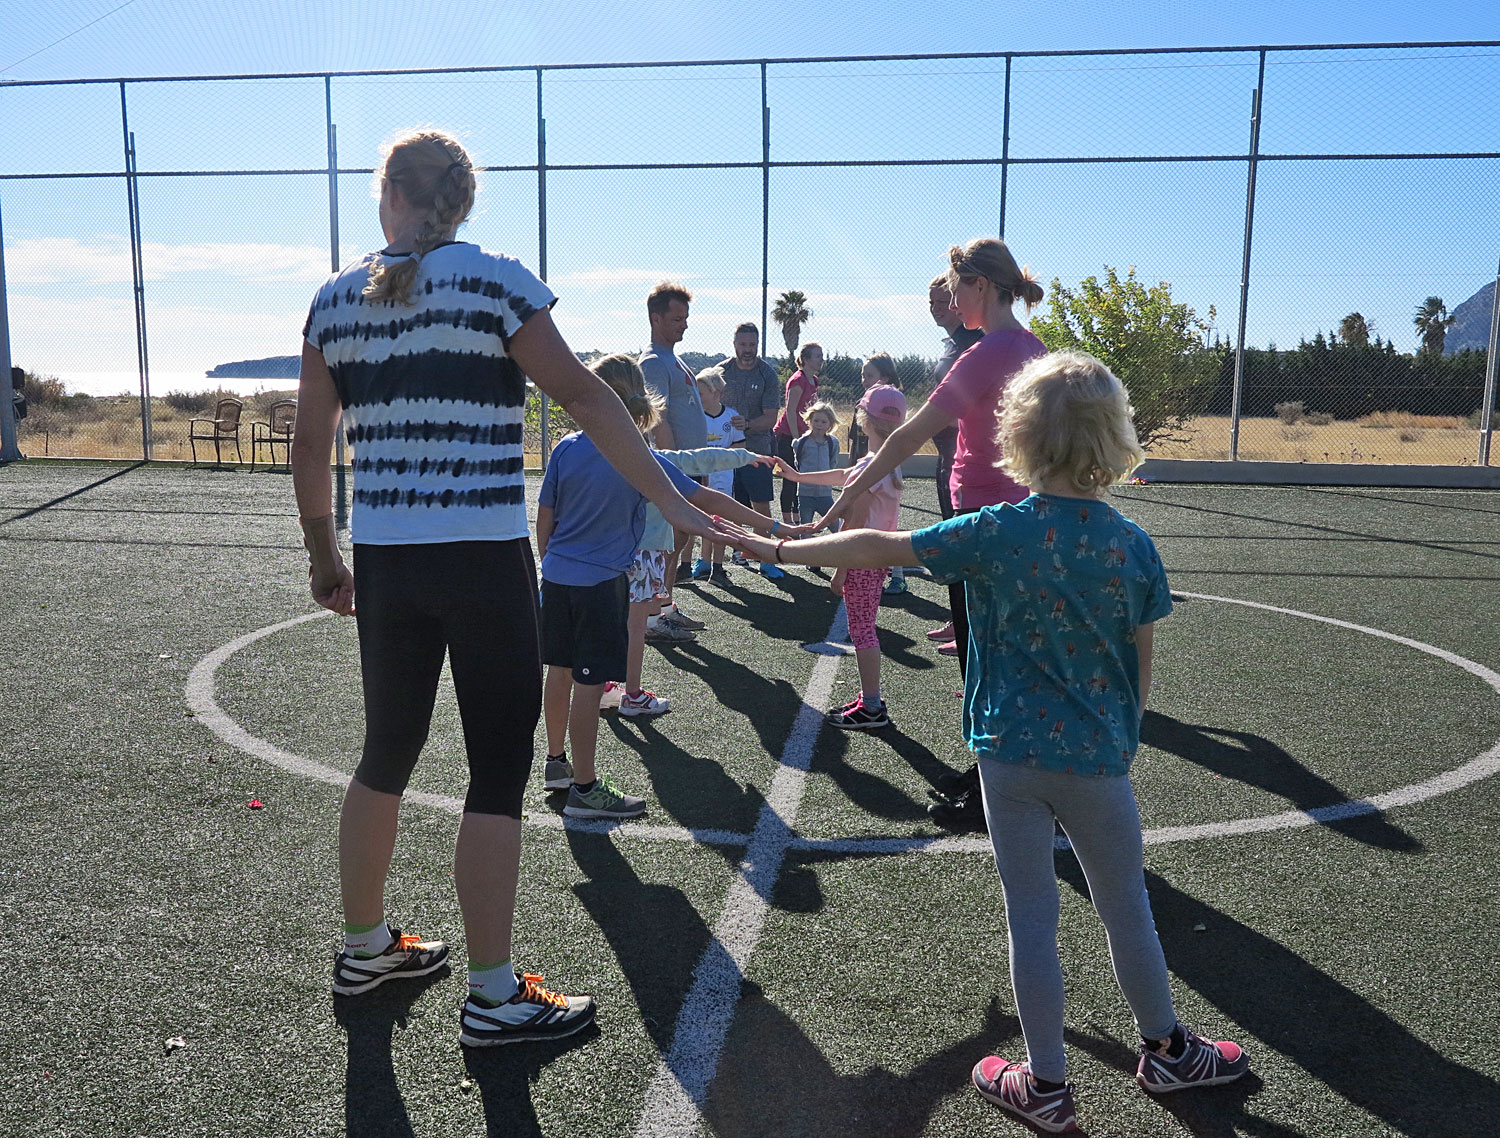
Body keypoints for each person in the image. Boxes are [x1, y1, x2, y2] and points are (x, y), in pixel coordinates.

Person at [732, 351, 1249, 1133]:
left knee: (1031, 916)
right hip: (1099, 760)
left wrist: (779, 546)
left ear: (1017, 438)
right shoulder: (1132, 545)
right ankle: (1169, 1050)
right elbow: (1141, 666)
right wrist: (1121, 736)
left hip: (1006, 759)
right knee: (1126, 908)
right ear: (1116, 437)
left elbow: (878, 548)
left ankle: (1045, 1086)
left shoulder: (997, 531)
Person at [292, 129, 719, 1048]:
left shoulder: (334, 300)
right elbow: (591, 399)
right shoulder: (497, 280)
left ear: (389, 195)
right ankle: (493, 996)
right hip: (482, 562)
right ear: (463, 199)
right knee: (496, 769)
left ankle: (363, 946)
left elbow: (309, 446)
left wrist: (325, 557)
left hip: (391, 564)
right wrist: (671, 503)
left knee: (385, 754)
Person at [817, 237, 1049, 829]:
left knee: (987, 659)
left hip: (987, 528)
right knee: (997, 655)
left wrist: (843, 497)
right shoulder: (1032, 349)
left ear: (981, 286)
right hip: (1017, 520)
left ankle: (1005, 791)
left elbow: (907, 435)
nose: (948, 295)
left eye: (953, 284)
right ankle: (991, 774)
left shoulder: (986, 355)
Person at [540, 355, 786, 787]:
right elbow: (705, 501)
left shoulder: (566, 447)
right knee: (589, 685)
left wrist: (554, 564)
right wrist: (774, 528)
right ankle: (585, 786)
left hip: (557, 579)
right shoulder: (635, 453)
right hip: (599, 584)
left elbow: (546, 520)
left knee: (558, 673)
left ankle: (555, 763)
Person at [778, 385, 905, 729]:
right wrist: (798, 475)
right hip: (877, 557)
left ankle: (873, 705)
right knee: (864, 629)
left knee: (862, 631)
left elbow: (856, 519)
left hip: (864, 558)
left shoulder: (872, 467)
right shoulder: (884, 463)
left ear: (864, 420)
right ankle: (870, 699)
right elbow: (844, 477)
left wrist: (839, 570)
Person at [924, 272, 985, 646]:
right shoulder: (951, 344)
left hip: (967, 466)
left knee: (966, 548)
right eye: (929, 302)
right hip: (947, 462)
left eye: (942, 300)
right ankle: (960, 622)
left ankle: (971, 632)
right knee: (953, 547)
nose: (935, 308)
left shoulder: (977, 344)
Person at [638, 282, 709, 588]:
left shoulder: (673, 359)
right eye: (677, 319)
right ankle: (654, 613)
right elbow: (657, 421)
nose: (685, 325)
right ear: (656, 319)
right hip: (675, 468)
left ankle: (663, 607)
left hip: (689, 468)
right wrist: (674, 469)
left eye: (686, 318)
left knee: (678, 539)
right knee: (668, 540)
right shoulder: (653, 362)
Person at [720, 322, 785, 578]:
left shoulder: (767, 374)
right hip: (724, 453)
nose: (747, 350)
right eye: (743, 344)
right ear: (734, 344)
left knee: (761, 507)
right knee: (727, 505)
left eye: (752, 345)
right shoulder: (720, 372)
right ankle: (723, 559)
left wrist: (746, 424)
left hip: (757, 451)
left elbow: (770, 418)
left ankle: (766, 559)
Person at [694, 366, 745, 581]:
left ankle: (718, 567)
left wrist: (720, 456)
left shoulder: (731, 417)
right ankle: (702, 563)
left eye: (701, 392)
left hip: (724, 479)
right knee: (702, 520)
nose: (697, 396)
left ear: (715, 393)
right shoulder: (695, 416)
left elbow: (741, 443)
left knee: (720, 522)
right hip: (700, 479)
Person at [771, 342, 824, 525]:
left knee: (800, 478)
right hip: (787, 437)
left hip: (802, 436)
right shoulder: (798, 380)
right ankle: (787, 521)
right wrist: (796, 439)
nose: (821, 360)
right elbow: (790, 411)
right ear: (806, 359)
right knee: (790, 478)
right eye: (818, 356)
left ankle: (797, 518)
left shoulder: (813, 380)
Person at [790, 402, 840, 526]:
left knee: (835, 526)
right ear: (810, 420)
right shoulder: (801, 443)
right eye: (816, 420)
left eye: (824, 422)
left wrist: (827, 479)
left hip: (825, 493)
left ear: (830, 424)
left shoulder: (832, 443)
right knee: (805, 527)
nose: (819, 425)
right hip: (805, 493)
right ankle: (804, 545)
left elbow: (832, 463)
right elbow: (798, 462)